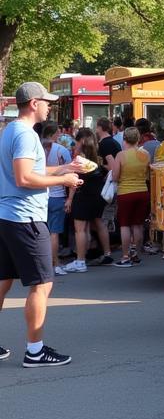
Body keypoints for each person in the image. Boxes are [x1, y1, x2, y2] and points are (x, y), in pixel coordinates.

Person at [0, 83, 84, 366]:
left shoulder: (11, 130)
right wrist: (64, 180)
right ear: (34, 103)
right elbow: (25, 178)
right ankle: (35, 351)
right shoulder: (24, 134)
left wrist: (65, 169)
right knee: (42, 284)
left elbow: (29, 172)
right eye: (46, 102)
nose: (50, 106)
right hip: (26, 218)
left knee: (3, 281)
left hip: (9, 216)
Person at [64, 129, 113, 272]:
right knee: (99, 223)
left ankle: (80, 261)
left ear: (81, 142)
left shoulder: (79, 160)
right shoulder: (98, 156)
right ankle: (107, 253)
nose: (74, 144)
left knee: (81, 230)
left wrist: (69, 199)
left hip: (82, 195)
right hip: (98, 195)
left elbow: (75, 180)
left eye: (76, 141)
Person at [111, 126, 150, 267]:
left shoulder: (121, 155)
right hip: (142, 191)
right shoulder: (145, 154)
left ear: (124, 139)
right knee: (138, 224)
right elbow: (147, 173)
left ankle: (125, 256)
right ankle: (135, 254)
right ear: (138, 139)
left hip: (126, 192)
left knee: (125, 225)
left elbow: (115, 176)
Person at [41, 123, 71, 276]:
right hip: (58, 194)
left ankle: (42, 262)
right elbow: (71, 171)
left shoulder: (37, 148)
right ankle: (55, 264)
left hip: (40, 194)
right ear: (55, 133)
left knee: (41, 232)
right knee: (54, 232)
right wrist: (70, 198)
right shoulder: (62, 151)